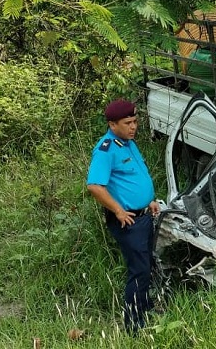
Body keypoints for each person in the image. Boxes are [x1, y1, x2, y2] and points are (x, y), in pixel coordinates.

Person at [86, 99, 160, 333]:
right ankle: (134, 326)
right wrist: (118, 210)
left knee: (146, 264)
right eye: (128, 123)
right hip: (128, 221)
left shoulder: (127, 143)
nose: (133, 126)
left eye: (135, 121)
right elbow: (95, 186)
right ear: (112, 124)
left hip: (144, 215)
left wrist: (149, 200)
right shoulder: (106, 150)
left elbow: (133, 177)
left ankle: (145, 307)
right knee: (138, 270)